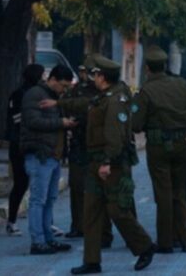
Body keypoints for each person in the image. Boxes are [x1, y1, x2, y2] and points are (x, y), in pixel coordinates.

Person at [52, 56, 156, 274]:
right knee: (91, 212)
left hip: (111, 164)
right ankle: (92, 261)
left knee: (118, 211)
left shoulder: (116, 99)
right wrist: (58, 102)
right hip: (95, 162)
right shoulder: (102, 97)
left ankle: (144, 246)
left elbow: (114, 135)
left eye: (95, 75)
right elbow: (83, 103)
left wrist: (107, 161)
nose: (92, 79)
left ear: (102, 77)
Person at [131, 45, 186, 254]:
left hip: (158, 148)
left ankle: (165, 242)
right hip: (183, 144)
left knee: (163, 194)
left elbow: (136, 124)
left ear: (147, 68)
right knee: (181, 192)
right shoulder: (181, 84)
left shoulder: (146, 91)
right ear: (164, 66)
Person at [20, 64, 76, 254]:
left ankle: (48, 238)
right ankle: (38, 241)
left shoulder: (54, 97)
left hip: (53, 155)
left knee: (50, 199)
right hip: (40, 154)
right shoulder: (35, 94)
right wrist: (60, 123)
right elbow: (32, 121)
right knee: (38, 200)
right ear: (52, 80)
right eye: (63, 85)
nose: (64, 90)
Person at [61, 60, 115, 247]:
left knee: (107, 191)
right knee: (77, 186)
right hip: (80, 143)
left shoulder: (109, 91)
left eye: (90, 72)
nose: (87, 76)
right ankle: (79, 225)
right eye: (83, 72)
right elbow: (67, 105)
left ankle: (108, 230)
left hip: (100, 147)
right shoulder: (77, 90)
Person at [4, 64, 45, 236]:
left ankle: (43, 223)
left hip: (28, 143)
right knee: (22, 183)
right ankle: (12, 221)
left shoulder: (34, 93)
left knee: (36, 184)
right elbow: (17, 119)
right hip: (22, 143)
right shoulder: (22, 95)